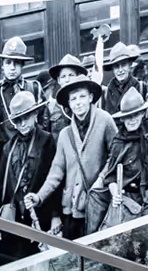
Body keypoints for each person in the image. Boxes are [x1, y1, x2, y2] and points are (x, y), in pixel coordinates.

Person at [28, 75, 117, 238]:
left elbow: (116, 155)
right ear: (68, 103)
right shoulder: (64, 135)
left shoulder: (105, 121)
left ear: (91, 97)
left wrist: (102, 178)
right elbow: (56, 173)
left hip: (98, 206)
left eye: (82, 96)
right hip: (71, 211)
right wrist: (39, 196)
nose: (78, 102)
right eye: (73, 99)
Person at [0, 91, 55, 263]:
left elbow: (55, 180)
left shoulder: (47, 140)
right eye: (17, 120)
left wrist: (55, 217)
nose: (22, 124)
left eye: (25, 117)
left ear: (35, 114)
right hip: (14, 222)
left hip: (41, 219)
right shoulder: (8, 147)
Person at [100, 89, 148, 228]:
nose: (133, 119)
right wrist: (115, 193)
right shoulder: (118, 142)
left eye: (136, 114)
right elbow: (110, 177)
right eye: (128, 116)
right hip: (129, 202)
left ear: (143, 113)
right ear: (122, 118)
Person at [44, 53, 89, 134]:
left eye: (71, 75)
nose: (67, 80)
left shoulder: (87, 103)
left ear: (78, 76)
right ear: (58, 80)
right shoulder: (51, 108)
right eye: (63, 76)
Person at [101, 44, 145, 116]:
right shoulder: (107, 92)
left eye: (123, 64)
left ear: (129, 65)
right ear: (113, 69)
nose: (120, 70)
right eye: (116, 66)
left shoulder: (141, 87)